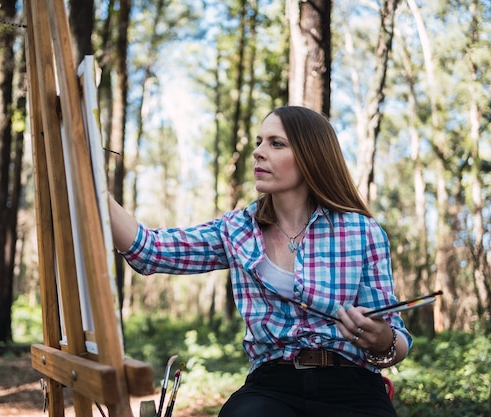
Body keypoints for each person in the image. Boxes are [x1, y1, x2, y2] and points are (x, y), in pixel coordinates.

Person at [110, 106, 411, 417]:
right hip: (271, 385)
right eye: (259, 141)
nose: (258, 152)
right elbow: (150, 249)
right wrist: (95, 189)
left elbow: (396, 340)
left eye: (276, 143)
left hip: (353, 384)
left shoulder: (362, 231)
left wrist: (381, 340)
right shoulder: (236, 229)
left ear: (312, 155)